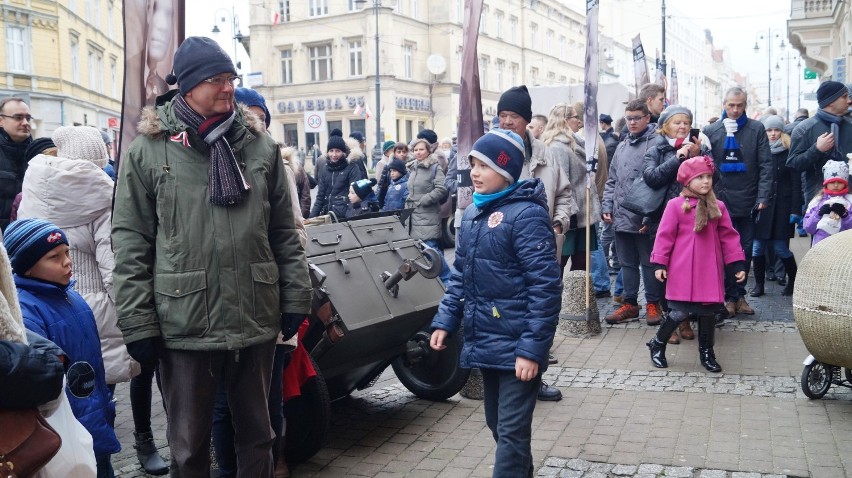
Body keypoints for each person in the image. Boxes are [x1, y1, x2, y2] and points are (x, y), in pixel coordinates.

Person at [112, 36, 312, 477]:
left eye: (231, 79)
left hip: (255, 315)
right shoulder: (149, 150)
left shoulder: (259, 146)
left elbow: (283, 230)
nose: (227, 88)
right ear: (186, 86)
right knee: (188, 446)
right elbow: (130, 242)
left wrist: (297, 296)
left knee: (260, 437)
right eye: (216, 80)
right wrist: (138, 321)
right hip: (185, 322)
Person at [430, 128, 561, 478]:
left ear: (506, 172)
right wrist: (445, 320)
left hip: (518, 345)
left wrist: (532, 350)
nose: (474, 172)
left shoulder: (526, 216)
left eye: (484, 165)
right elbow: (460, 274)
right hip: (486, 338)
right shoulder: (473, 214)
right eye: (473, 163)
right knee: (498, 425)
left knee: (511, 433)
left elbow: (545, 288)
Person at [7, 218, 121, 477]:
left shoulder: (73, 297)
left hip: (93, 418)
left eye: (67, 252)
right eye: (54, 257)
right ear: (27, 267)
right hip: (63, 431)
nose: (67, 261)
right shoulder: (27, 312)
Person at [497, 85, 576, 401]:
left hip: (541, 248)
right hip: (503, 249)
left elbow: (566, 195)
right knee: (505, 315)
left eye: (512, 116)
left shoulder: (546, 155)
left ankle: (534, 378)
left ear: (526, 120)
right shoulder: (494, 153)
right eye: (502, 115)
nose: (506, 122)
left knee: (541, 313)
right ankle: (506, 379)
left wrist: (559, 222)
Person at [647, 157, 746, 372]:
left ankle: (707, 352)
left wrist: (737, 263)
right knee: (680, 311)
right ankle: (657, 342)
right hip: (682, 269)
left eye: (708, 177)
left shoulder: (717, 207)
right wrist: (660, 264)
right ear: (687, 181)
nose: (705, 181)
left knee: (708, 312)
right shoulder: (675, 206)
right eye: (699, 177)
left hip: (709, 269)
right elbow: (664, 236)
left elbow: (729, 236)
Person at [703, 87, 774, 320]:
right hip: (720, 202)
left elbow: (765, 165)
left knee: (743, 251)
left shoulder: (756, 129)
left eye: (740, 105)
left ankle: (738, 296)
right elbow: (705, 167)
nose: (735, 110)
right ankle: (728, 297)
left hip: (749, 201)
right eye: (731, 105)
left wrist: (763, 197)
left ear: (745, 106)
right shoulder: (712, 131)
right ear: (724, 104)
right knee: (722, 251)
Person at [642, 105, 707, 341]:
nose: (682, 127)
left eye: (686, 123)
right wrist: (678, 158)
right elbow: (652, 178)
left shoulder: (700, 147)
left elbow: (714, 178)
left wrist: (699, 155)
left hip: (694, 218)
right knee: (664, 268)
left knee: (688, 267)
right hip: (662, 218)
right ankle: (670, 319)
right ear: (665, 126)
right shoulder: (657, 149)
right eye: (677, 122)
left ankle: (686, 318)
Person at [601, 99, 663, 325]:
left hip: (645, 215)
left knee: (648, 262)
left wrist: (650, 214)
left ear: (647, 118)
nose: (633, 122)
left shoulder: (658, 143)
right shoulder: (622, 145)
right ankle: (630, 304)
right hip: (620, 215)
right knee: (626, 263)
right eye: (629, 118)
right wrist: (607, 206)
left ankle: (653, 303)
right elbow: (612, 180)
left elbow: (658, 183)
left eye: (637, 117)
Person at [541, 104, 601, 276]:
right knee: (560, 261)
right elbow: (560, 184)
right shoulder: (557, 147)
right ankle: (557, 299)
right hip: (570, 216)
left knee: (581, 262)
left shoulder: (573, 143)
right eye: (575, 117)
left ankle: (577, 300)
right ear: (565, 120)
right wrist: (567, 215)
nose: (579, 120)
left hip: (582, 213)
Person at [749, 116, 801, 298]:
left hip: (782, 208)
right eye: (769, 130)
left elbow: (796, 184)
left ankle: (793, 281)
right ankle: (759, 285)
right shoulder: (759, 151)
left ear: (782, 131)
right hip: (763, 207)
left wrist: (796, 210)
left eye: (776, 130)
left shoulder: (789, 152)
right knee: (757, 248)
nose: (772, 134)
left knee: (781, 248)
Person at [787, 80, 852, 201]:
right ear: (831, 101)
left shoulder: (850, 126)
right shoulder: (804, 129)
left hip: (849, 201)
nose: (849, 101)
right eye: (844, 97)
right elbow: (793, 165)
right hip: (818, 204)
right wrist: (816, 149)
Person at [405, 138, 451, 283]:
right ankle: (437, 282)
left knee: (430, 248)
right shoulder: (413, 167)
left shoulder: (434, 167)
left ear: (428, 150)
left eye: (421, 149)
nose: (418, 152)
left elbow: (442, 188)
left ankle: (448, 280)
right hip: (413, 213)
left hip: (427, 213)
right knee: (422, 249)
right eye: (415, 150)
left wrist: (425, 200)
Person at [0, 97, 34, 230]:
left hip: (30, 234)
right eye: (18, 117)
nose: (25, 122)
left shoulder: (39, 154)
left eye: (28, 118)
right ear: (1, 120)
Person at [310, 135, 364, 218]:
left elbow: (356, 196)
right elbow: (320, 197)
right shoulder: (325, 168)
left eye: (338, 151)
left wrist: (349, 218)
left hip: (345, 217)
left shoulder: (352, 168)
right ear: (327, 152)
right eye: (331, 151)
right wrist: (311, 219)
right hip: (328, 216)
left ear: (343, 152)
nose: (334, 154)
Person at [803, 159, 852, 246]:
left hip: (844, 247)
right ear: (826, 183)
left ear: (845, 184)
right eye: (832, 182)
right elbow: (808, 228)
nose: (836, 185)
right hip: (821, 246)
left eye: (840, 182)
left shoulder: (850, 201)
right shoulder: (817, 201)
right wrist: (818, 214)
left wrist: (845, 215)